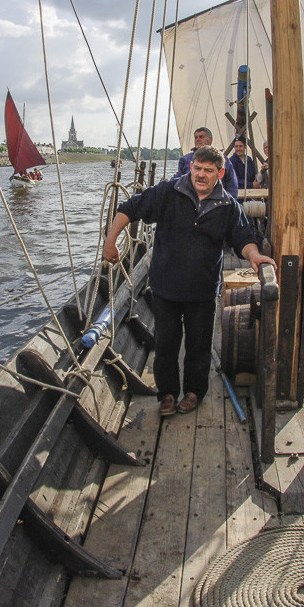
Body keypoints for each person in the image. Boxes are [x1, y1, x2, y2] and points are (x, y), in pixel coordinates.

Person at [104, 145, 273, 417]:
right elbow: (129, 208)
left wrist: (254, 256)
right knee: (166, 345)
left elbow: (243, 237)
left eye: (208, 170)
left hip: (202, 291)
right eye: (197, 168)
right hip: (165, 288)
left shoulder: (227, 205)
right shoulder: (168, 192)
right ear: (191, 166)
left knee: (198, 346)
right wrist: (110, 241)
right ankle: (167, 393)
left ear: (220, 173)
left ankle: (194, 392)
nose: (201, 174)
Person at [174, 127, 238, 199]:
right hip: (190, 201)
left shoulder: (224, 160)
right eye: (196, 137)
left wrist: (229, 205)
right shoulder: (185, 160)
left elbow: (232, 185)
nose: (198, 139)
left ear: (210, 140)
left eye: (201, 137)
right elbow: (178, 180)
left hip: (216, 202)